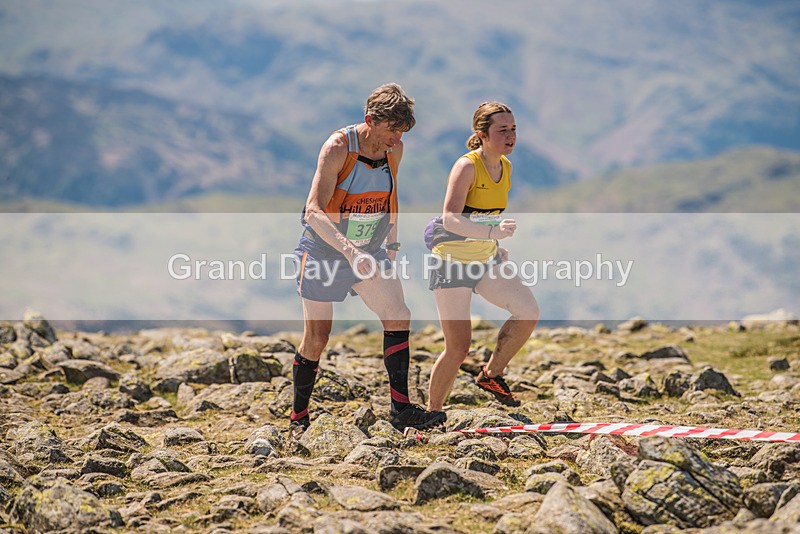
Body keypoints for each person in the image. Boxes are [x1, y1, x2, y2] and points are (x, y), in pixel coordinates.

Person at [290, 83, 447, 436]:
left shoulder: (396, 149)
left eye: (402, 130)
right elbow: (312, 212)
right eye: (391, 129)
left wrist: (390, 246)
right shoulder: (338, 148)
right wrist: (349, 250)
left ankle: (401, 409)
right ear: (370, 120)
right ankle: (298, 419)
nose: (397, 138)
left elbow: (391, 197)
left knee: (399, 316)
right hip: (326, 250)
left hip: (370, 250)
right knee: (318, 336)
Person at [426, 101, 540, 414]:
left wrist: (494, 245)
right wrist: (493, 234)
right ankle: (432, 413)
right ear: (482, 134)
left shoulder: (506, 167)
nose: (511, 135)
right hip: (451, 263)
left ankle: (491, 375)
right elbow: (449, 218)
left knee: (528, 312)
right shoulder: (466, 166)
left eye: (514, 129)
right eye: (502, 130)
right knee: (458, 348)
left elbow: (484, 216)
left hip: (486, 260)